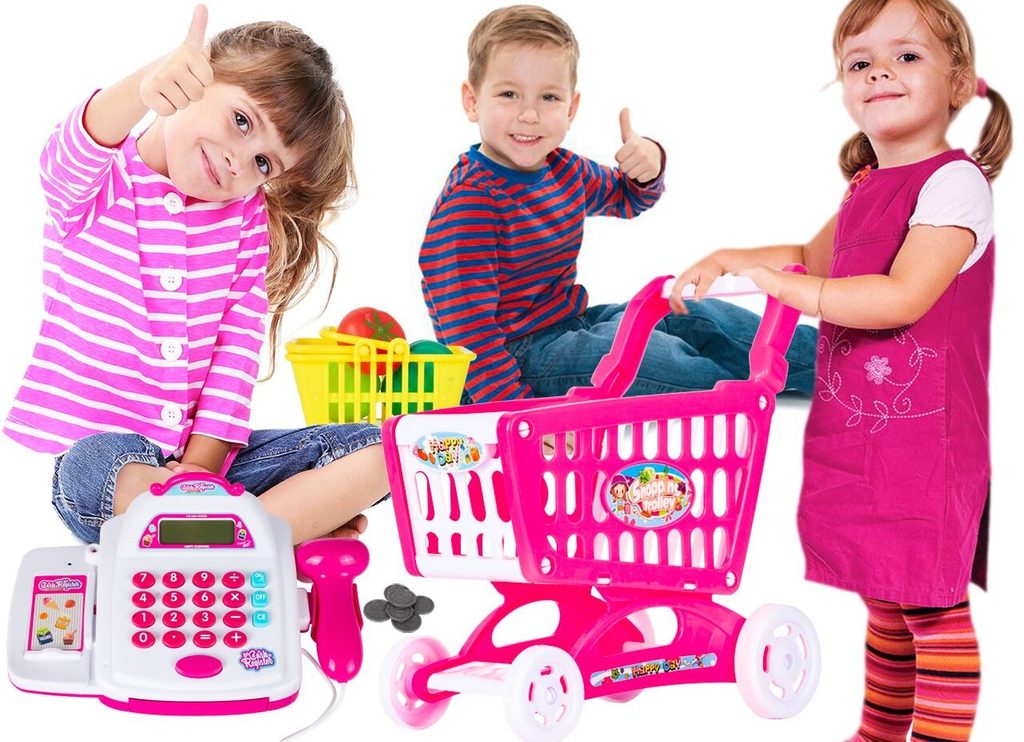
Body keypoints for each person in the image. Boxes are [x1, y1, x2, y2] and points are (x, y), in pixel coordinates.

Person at [671, 1, 1010, 739]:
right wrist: (733, 258)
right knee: (885, 599)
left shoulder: (955, 184)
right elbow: (809, 257)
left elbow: (902, 295)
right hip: (864, 440)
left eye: (907, 56)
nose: (880, 71)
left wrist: (795, 292)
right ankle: (877, 733)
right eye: (860, 62)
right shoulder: (866, 187)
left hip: (926, 448)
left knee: (932, 606)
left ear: (959, 83)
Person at [3, 5, 389, 545]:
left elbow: (234, 355)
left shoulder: (245, 223)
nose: (239, 161)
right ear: (197, 74)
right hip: (111, 471)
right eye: (242, 121)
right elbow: (70, 149)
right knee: (92, 465)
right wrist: (146, 84)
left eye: (263, 164)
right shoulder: (100, 184)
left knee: (381, 451)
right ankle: (264, 529)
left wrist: (199, 472)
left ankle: (219, 530)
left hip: (209, 471)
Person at [419, 4, 816, 404]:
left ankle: (834, 359)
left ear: (571, 109)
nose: (529, 114)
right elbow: (469, 336)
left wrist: (647, 165)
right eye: (508, 94)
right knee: (658, 360)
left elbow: (629, 198)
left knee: (689, 312)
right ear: (472, 101)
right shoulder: (470, 203)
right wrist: (516, 409)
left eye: (549, 97)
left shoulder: (564, 169)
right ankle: (752, 389)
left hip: (574, 323)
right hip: (520, 357)